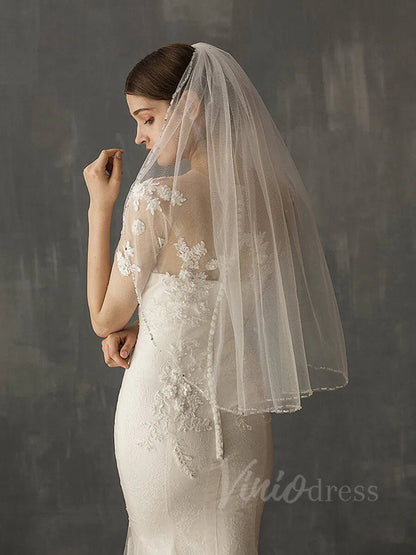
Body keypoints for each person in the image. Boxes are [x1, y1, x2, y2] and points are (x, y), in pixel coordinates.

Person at [84, 42, 348, 554]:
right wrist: (149, 323)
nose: (139, 137)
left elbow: (102, 318)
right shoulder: (279, 200)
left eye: (148, 118)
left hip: (161, 420)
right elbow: (224, 305)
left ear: (190, 107)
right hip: (242, 419)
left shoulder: (157, 198)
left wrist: (100, 207)